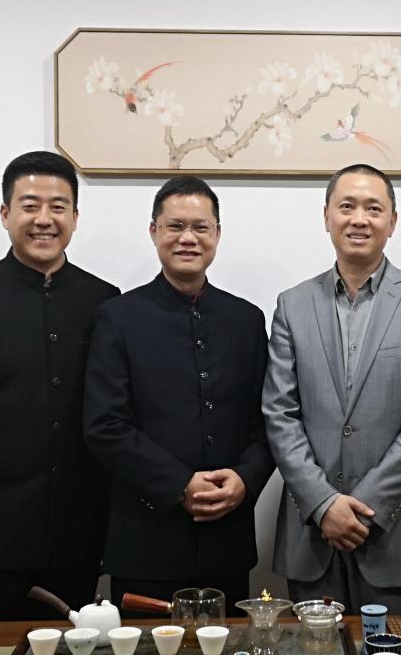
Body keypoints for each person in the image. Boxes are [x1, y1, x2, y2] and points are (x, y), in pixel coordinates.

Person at [0, 151, 119, 621]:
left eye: (58, 207)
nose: (44, 219)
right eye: (30, 206)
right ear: (5, 213)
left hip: (80, 539)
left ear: (75, 217)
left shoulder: (104, 302)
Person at [263, 164, 401, 613]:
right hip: (312, 531)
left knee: (393, 644)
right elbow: (279, 413)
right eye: (346, 206)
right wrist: (324, 504)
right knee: (313, 645)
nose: (359, 219)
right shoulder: (292, 304)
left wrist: (366, 505)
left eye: (373, 208)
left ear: (393, 221)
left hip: (394, 532)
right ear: (326, 216)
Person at [85, 176, 273, 615]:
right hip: (146, 542)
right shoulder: (118, 317)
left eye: (200, 227)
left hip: (227, 542)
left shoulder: (246, 319)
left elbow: (268, 419)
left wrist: (246, 479)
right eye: (175, 226)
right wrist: (179, 485)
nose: (188, 238)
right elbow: (104, 426)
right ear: (154, 232)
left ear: (217, 234)